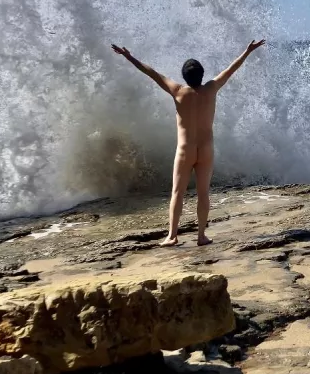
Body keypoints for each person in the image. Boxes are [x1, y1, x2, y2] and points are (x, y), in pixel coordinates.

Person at [110, 39, 266, 246]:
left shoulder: (178, 91)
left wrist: (129, 57)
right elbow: (230, 70)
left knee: (177, 192)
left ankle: (172, 236)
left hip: (185, 150)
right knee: (203, 193)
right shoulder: (211, 88)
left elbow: (152, 73)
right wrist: (247, 51)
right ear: (202, 75)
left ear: (184, 76)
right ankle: (201, 236)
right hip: (206, 149)